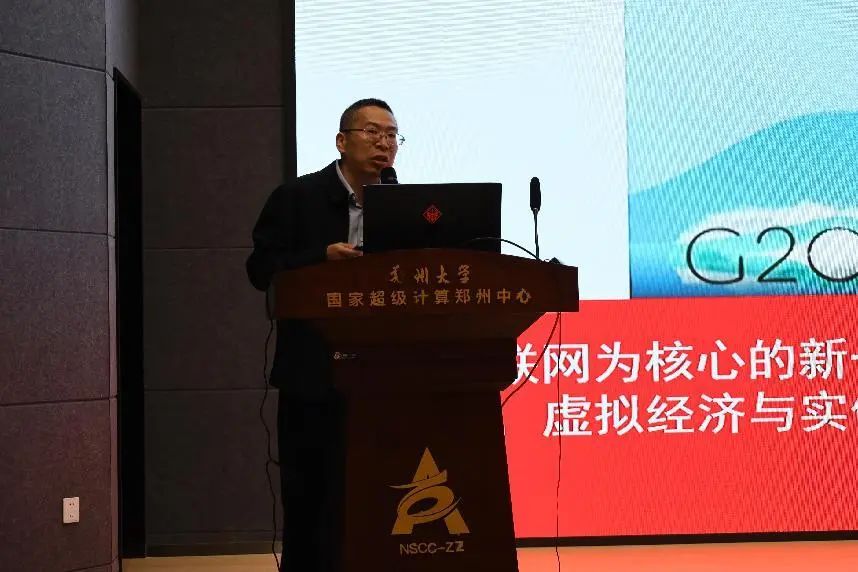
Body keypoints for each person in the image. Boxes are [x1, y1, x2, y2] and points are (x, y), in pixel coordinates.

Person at [245, 98, 402, 571]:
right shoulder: (297, 197)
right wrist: (319, 258)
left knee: (381, 490)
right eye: (372, 132)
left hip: (383, 374)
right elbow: (260, 269)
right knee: (311, 494)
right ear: (341, 141)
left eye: (392, 135)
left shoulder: (402, 204)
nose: (384, 143)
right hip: (311, 372)